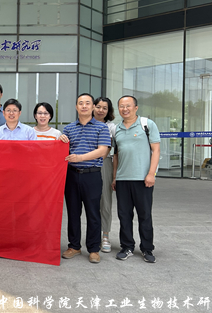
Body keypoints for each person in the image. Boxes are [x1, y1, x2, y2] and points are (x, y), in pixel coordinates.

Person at [59, 93, 110, 264]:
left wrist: (80, 158)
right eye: (80, 103)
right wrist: (60, 140)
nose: (84, 106)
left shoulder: (101, 128)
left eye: (88, 103)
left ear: (93, 107)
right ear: (76, 107)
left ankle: (94, 249)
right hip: (72, 175)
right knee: (73, 212)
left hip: (92, 174)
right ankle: (74, 246)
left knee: (93, 213)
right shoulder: (69, 128)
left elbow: (102, 150)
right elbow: (63, 151)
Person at [112, 95, 160, 263]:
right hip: (122, 179)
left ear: (136, 107)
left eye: (128, 105)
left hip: (143, 178)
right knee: (124, 215)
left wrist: (151, 174)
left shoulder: (147, 124)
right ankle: (127, 247)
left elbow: (156, 150)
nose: (125, 109)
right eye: (121, 106)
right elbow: (116, 155)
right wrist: (114, 177)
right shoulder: (117, 129)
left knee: (144, 215)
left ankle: (147, 248)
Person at [92, 96, 117, 253]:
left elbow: (113, 150)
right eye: (98, 107)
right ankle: (92, 235)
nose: (101, 110)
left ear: (109, 111)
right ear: (93, 107)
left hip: (104, 164)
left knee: (105, 201)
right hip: (84, 164)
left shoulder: (112, 128)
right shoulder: (85, 123)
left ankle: (105, 235)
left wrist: (114, 176)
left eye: (105, 108)